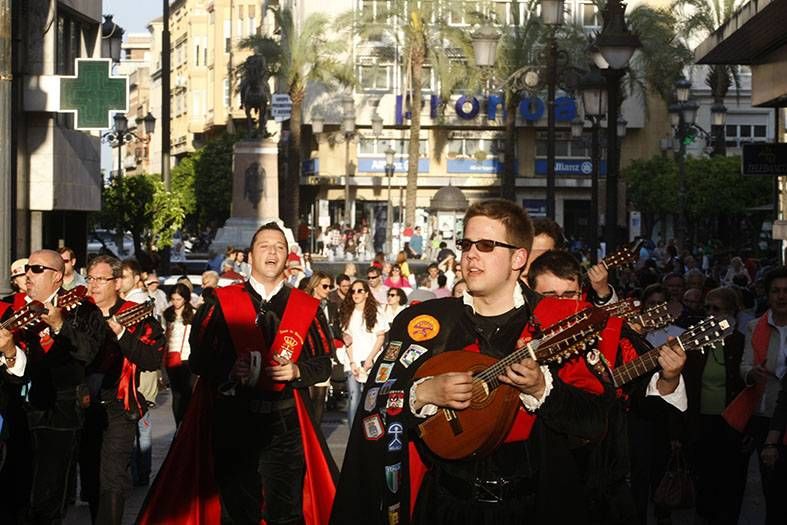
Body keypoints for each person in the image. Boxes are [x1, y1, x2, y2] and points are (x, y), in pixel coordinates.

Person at [332, 199, 615, 524]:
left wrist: (541, 389)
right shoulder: (425, 323)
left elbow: (595, 424)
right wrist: (422, 394)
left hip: (531, 508)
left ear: (518, 258)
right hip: (443, 506)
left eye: (486, 245)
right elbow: (373, 403)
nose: (470, 254)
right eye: (466, 244)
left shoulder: (558, 324)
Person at [139, 222, 338, 524]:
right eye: (265, 246)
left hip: (284, 424)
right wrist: (230, 369)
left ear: (288, 257)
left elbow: (324, 361)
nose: (272, 252)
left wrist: (298, 370)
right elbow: (200, 360)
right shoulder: (221, 302)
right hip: (233, 420)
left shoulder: (306, 306)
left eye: (280, 247)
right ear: (250, 255)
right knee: (235, 511)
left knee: (286, 513)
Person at [13, 250, 105, 523]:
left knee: (50, 488)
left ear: (57, 276)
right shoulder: (11, 306)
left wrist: (60, 326)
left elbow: (89, 353)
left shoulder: (83, 310)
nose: (28, 274)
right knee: (15, 484)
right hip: (17, 407)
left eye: (37, 269)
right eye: (27, 268)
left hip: (61, 408)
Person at [80, 255, 165, 524]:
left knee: (113, 477)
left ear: (117, 283)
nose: (93, 285)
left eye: (101, 279)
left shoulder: (136, 314)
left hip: (119, 405)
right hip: (84, 405)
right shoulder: (80, 313)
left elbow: (152, 359)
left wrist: (121, 334)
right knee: (91, 477)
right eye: (90, 278)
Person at [683, 287, 748, 525]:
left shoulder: (739, 341)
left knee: (730, 478)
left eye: (716, 309)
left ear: (730, 311)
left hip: (731, 420)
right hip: (702, 419)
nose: (710, 314)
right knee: (705, 477)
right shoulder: (696, 339)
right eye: (707, 308)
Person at [735, 266, 787, 524]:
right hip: (764, 415)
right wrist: (751, 373)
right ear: (767, 295)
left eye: (786, 291)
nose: (781, 296)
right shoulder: (756, 326)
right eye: (776, 291)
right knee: (773, 491)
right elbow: (744, 366)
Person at [339, 279, 388, 427]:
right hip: (352, 361)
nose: (356, 294)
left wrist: (370, 359)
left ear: (366, 293)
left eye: (360, 290)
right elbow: (347, 339)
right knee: (354, 397)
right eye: (353, 291)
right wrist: (352, 361)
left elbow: (381, 337)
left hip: (370, 360)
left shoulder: (376, 311)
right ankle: (353, 433)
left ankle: (369, 432)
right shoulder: (347, 312)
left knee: (370, 399)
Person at [304, 271, 339, 425]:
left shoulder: (325, 306)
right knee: (310, 399)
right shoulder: (305, 303)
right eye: (325, 286)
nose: (328, 290)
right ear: (315, 286)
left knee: (320, 399)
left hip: (324, 356)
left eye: (330, 286)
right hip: (309, 358)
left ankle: (316, 433)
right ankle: (309, 434)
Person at [162, 283, 196, 426]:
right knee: (176, 393)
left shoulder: (193, 313)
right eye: (173, 299)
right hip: (172, 356)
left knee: (188, 393)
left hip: (188, 358)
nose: (176, 302)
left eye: (179, 299)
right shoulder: (167, 313)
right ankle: (179, 424)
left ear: (186, 299)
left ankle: (187, 424)